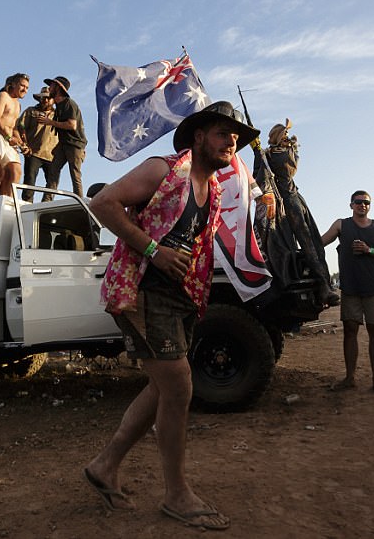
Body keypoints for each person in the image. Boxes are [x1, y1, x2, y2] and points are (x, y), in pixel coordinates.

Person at [84, 101, 259, 531]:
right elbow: (103, 203)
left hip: (180, 298)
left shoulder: (212, 189)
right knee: (180, 385)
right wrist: (152, 250)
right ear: (199, 136)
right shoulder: (163, 170)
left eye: (235, 138)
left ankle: (105, 466)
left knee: (163, 389)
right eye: (223, 134)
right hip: (143, 291)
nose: (231, 142)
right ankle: (177, 493)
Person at [320, 190, 374, 395]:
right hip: (351, 288)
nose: (362, 205)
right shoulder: (341, 225)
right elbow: (321, 242)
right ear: (351, 205)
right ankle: (349, 378)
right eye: (358, 202)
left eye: (366, 202)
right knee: (350, 331)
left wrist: (369, 250)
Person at [256, 119, 335, 306]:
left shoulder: (286, 153)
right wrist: (257, 154)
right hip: (273, 201)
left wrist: (264, 154)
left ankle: (324, 284)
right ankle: (280, 284)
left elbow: (288, 167)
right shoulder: (266, 154)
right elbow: (257, 176)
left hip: (291, 200)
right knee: (274, 242)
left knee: (309, 241)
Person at [38, 76, 87, 199]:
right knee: (53, 171)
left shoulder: (68, 104)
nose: (49, 88)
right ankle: (47, 201)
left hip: (75, 144)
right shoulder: (59, 105)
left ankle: (80, 203)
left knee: (75, 174)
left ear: (59, 87)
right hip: (64, 144)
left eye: (52, 85)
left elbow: (72, 125)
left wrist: (50, 122)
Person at [17, 86, 59, 201]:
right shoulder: (31, 111)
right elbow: (19, 127)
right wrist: (24, 144)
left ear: (53, 99)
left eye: (48, 98)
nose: (45, 100)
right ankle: (26, 207)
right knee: (29, 183)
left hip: (52, 155)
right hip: (33, 152)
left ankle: (46, 206)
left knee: (52, 183)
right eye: (43, 98)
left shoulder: (59, 114)